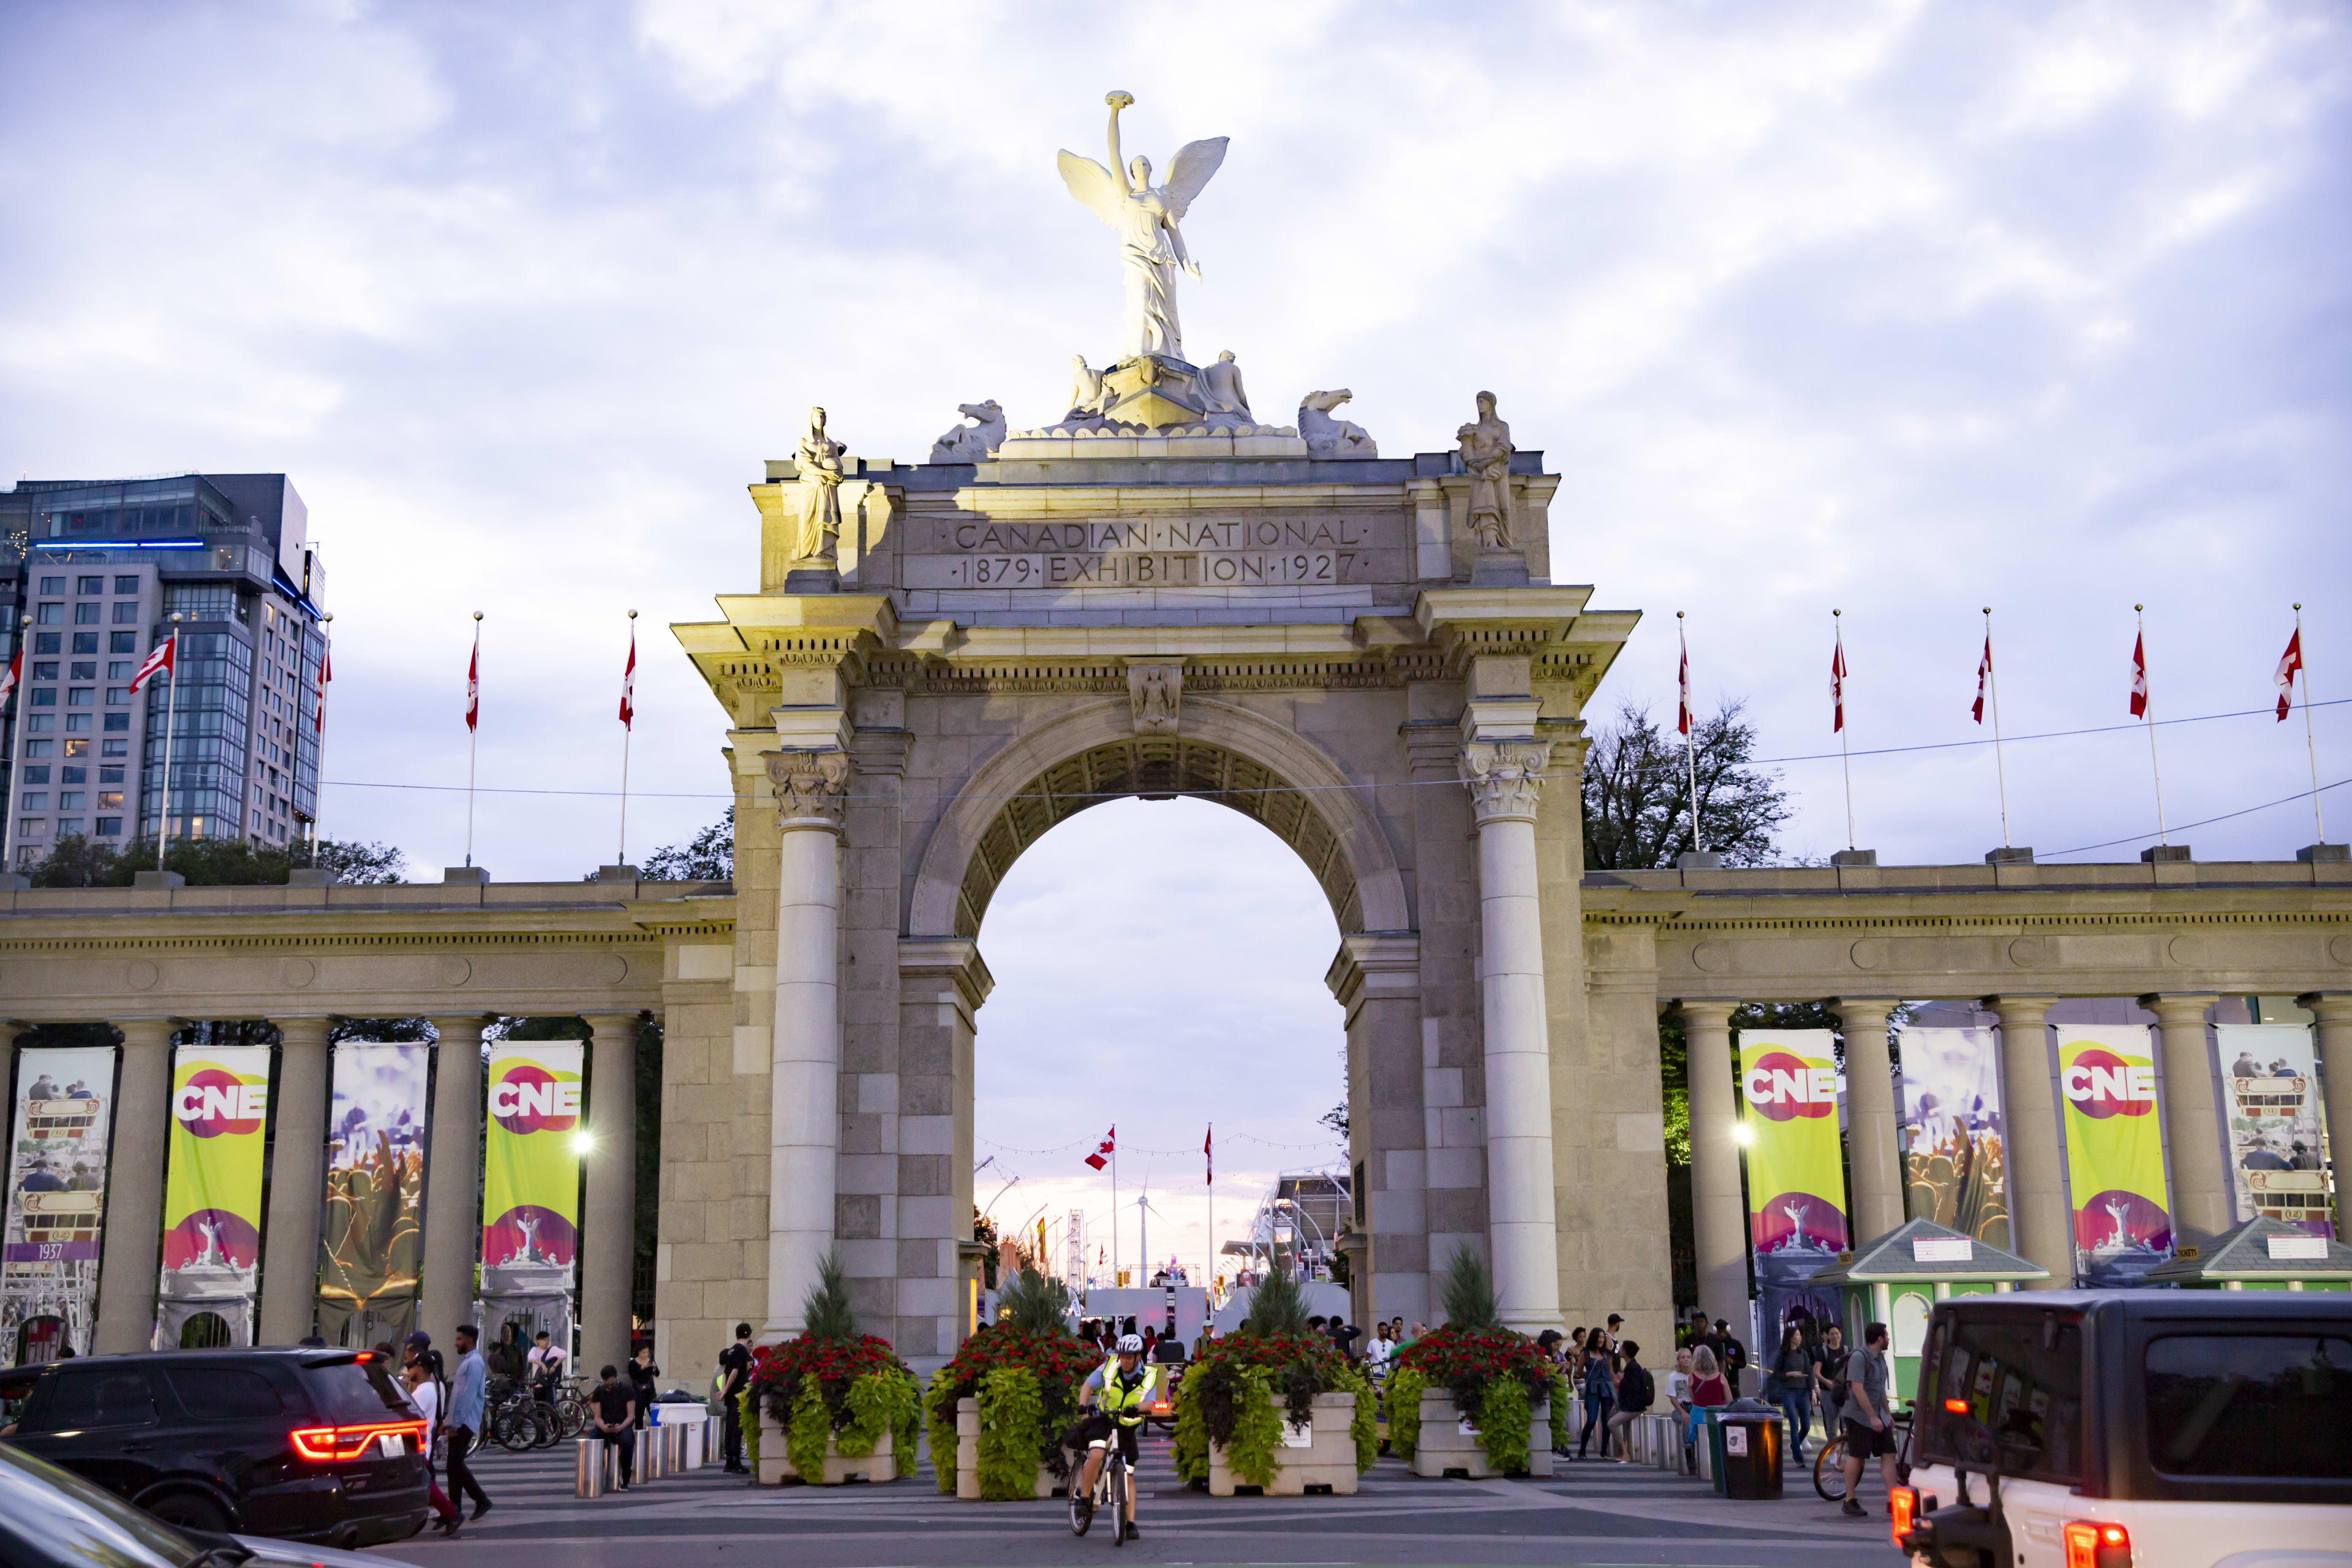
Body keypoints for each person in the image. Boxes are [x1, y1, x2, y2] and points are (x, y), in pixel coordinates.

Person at [1072, 1333, 1155, 1542]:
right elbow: (1087, 1386)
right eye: (1122, 1356)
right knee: (1098, 1453)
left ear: (1138, 1357)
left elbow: (1150, 1404)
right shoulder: (1109, 1366)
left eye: (1129, 1357)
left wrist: (1136, 1408)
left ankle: (1130, 1523)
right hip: (1103, 1420)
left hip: (1126, 1424)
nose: (1124, 1360)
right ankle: (1084, 1498)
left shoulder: (1149, 1375)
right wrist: (1084, 1411)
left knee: (1128, 1475)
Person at [1841, 1322, 1899, 1518]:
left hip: (1878, 1416)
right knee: (1857, 1455)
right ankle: (1849, 1500)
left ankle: (1893, 1500)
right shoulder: (1860, 1357)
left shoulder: (1880, 1359)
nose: (1889, 1339)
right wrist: (1872, 1417)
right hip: (1858, 1416)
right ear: (1880, 1339)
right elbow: (1857, 1389)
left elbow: (1879, 1389)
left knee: (1889, 1453)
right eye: (1887, 1336)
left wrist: (1887, 1413)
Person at [402, 1352, 459, 1536]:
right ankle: (448, 1513)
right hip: (420, 1445)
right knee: (423, 1487)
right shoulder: (425, 1389)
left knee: (427, 1487)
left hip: (418, 1446)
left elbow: (410, 1418)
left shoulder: (424, 1391)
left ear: (419, 1369)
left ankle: (451, 1514)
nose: (409, 1371)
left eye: (411, 1367)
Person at [446, 1324, 493, 1525]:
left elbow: (467, 1396)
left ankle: (480, 1500)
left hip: (466, 1421)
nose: (456, 1342)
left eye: (459, 1339)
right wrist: (448, 1421)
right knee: (452, 1465)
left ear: (469, 1340)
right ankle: (454, 1507)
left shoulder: (474, 1363)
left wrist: (455, 1423)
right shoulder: (467, 1362)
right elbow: (457, 1396)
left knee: (455, 1464)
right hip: (459, 1420)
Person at [1766, 1322, 1819, 1467]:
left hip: (1803, 1392)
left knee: (1807, 1425)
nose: (1799, 1337)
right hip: (1788, 1391)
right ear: (1790, 1337)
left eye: (1800, 1335)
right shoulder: (1783, 1354)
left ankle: (1794, 1444)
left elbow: (1809, 1373)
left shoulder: (1803, 1354)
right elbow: (1776, 1374)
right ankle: (1798, 1457)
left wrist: (1813, 1390)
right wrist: (1789, 1374)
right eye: (1797, 1335)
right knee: (1794, 1423)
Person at [590, 1364, 638, 1490]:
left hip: (623, 1424)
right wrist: (604, 1427)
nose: (610, 1387)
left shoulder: (627, 1390)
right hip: (605, 1425)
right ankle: (598, 1474)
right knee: (593, 1441)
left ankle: (626, 1476)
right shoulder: (599, 1391)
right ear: (603, 1381)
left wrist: (620, 1427)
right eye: (608, 1385)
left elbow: (631, 1416)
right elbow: (597, 1417)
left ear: (617, 1378)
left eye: (613, 1384)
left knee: (627, 1442)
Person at [1683, 1344, 1730, 1469]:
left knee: (1700, 1443)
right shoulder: (1721, 1377)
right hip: (1717, 1415)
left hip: (1698, 1415)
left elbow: (1693, 1399)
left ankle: (1702, 1467)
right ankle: (1717, 1467)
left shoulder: (1692, 1377)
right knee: (1717, 1442)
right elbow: (1729, 1400)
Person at [1605, 1341, 1652, 1460]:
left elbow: (1634, 1388)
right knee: (1610, 1416)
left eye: (1621, 1348)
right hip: (1628, 1405)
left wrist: (1620, 1381)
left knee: (1612, 1423)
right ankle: (1621, 1452)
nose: (1620, 1350)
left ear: (1625, 1351)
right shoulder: (1631, 1366)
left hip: (1633, 1407)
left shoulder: (1633, 1367)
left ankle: (1624, 1452)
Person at [717, 1322, 753, 1474]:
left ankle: (730, 1461)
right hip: (738, 1393)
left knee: (731, 1427)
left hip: (731, 1395)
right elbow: (735, 1372)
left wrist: (724, 1390)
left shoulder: (731, 1350)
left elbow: (726, 1372)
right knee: (737, 1428)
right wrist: (725, 1390)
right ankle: (735, 1461)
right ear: (749, 1334)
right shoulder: (741, 1350)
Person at [1576, 1332, 1616, 1460]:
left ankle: (1604, 1451)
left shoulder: (1607, 1353)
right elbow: (1579, 1372)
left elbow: (1610, 1371)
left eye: (1603, 1338)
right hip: (1592, 1389)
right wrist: (1590, 1376)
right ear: (1594, 1338)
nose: (1601, 1340)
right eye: (1599, 1337)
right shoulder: (1586, 1353)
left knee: (1606, 1421)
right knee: (1592, 1420)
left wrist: (1616, 1383)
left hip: (1606, 1388)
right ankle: (1582, 1450)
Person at [1815, 1322, 1850, 1439]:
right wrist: (1825, 1381)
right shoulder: (1823, 1351)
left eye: (1837, 1334)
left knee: (1846, 1420)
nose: (1835, 1336)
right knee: (1831, 1422)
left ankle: (1849, 1449)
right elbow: (1816, 1372)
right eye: (1832, 1334)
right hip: (1828, 1392)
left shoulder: (1847, 1350)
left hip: (1844, 1392)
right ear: (1828, 1336)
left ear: (1841, 1335)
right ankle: (1833, 1452)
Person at [527, 1329, 567, 1402]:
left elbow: (564, 1354)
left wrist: (554, 1366)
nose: (547, 1342)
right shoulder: (535, 1350)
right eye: (545, 1340)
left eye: (548, 1340)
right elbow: (530, 1358)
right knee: (539, 1408)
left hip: (549, 1384)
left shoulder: (552, 1350)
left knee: (550, 1408)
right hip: (538, 1384)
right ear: (538, 1341)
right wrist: (542, 1364)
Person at [629, 1344, 661, 1429]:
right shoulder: (633, 1363)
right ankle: (639, 1434)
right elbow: (633, 1375)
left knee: (654, 1413)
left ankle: (657, 1430)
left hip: (650, 1391)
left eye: (647, 1352)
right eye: (644, 1352)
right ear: (639, 1352)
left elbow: (657, 1374)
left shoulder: (650, 1360)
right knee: (639, 1415)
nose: (646, 1354)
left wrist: (654, 1367)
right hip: (638, 1392)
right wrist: (642, 1368)